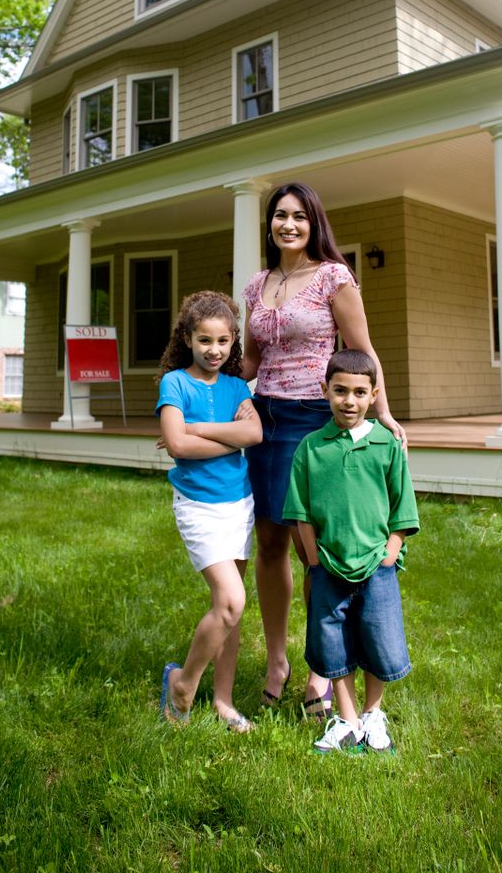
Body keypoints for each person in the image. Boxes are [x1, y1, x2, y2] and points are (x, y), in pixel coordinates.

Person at [242, 181, 407, 718]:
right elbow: (249, 364)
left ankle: (323, 667)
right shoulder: (256, 285)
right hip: (264, 419)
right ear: (269, 224)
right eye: (279, 215)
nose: (288, 225)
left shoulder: (334, 277)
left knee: (312, 547)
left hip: (315, 420)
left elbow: (362, 351)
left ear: (313, 223)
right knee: (269, 541)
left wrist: (382, 413)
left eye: (299, 216)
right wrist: (194, 382)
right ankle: (277, 662)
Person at [283, 348, 419, 754]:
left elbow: (403, 507)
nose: (349, 401)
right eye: (340, 390)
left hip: (377, 564)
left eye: (360, 393)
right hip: (328, 564)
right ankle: (347, 720)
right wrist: (314, 561)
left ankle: (373, 714)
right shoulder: (311, 448)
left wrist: (390, 553)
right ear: (324, 390)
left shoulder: (386, 445)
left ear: (374, 395)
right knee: (333, 642)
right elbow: (300, 511)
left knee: (379, 637)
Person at [156, 291, 262, 732]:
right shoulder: (175, 384)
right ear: (187, 339)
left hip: (239, 503)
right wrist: (228, 436)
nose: (214, 350)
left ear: (233, 340)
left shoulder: (237, 387)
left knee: (229, 610)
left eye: (223, 341)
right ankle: (183, 683)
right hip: (198, 506)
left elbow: (254, 435)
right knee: (232, 600)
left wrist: (198, 428)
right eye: (204, 340)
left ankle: (224, 700)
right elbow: (177, 446)